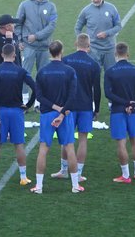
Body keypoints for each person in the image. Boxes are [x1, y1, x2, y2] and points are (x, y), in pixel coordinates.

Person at [30, 40, 82, 194]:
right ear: (62, 51)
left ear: (49, 52)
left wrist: (55, 108)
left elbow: (39, 96)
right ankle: (75, 185)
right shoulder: (70, 71)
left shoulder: (42, 71)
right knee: (70, 148)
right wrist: (62, 112)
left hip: (47, 115)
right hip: (65, 115)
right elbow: (72, 96)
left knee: (43, 149)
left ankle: (39, 186)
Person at [51, 33, 101, 181]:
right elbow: (97, 89)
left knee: (67, 138)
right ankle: (78, 173)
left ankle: (64, 169)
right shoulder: (93, 64)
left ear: (75, 44)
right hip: (85, 106)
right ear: (89, 46)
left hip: (68, 106)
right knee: (83, 139)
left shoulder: (66, 60)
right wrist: (96, 108)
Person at [0, 44, 36, 186]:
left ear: (2, 54)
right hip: (16, 112)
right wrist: (29, 104)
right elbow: (35, 88)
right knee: (19, 145)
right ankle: (23, 177)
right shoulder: (20, 71)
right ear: (14, 56)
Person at [104, 42, 135, 184]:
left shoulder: (110, 71)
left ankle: (126, 175)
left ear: (115, 54)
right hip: (133, 112)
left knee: (121, 143)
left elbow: (108, 93)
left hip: (118, 111)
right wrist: (133, 103)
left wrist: (124, 104)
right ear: (128, 54)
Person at [74, 0, 121, 73]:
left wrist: (106, 33)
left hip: (109, 49)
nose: (96, 0)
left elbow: (118, 26)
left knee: (111, 75)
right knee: (93, 76)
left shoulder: (111, 8)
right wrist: (82, 43)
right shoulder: (86, 11)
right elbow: (77, 28)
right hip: (93, 50)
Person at [16, 0, 58, 77]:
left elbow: (52, 26)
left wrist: (36, 36)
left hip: (44, 47)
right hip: (28, 46)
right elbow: (18, 24)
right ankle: (24, 92)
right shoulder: (24, 5)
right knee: (25, 75)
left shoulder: (51, 7)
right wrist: (19, 41)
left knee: (44, 76)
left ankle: (41, 92)